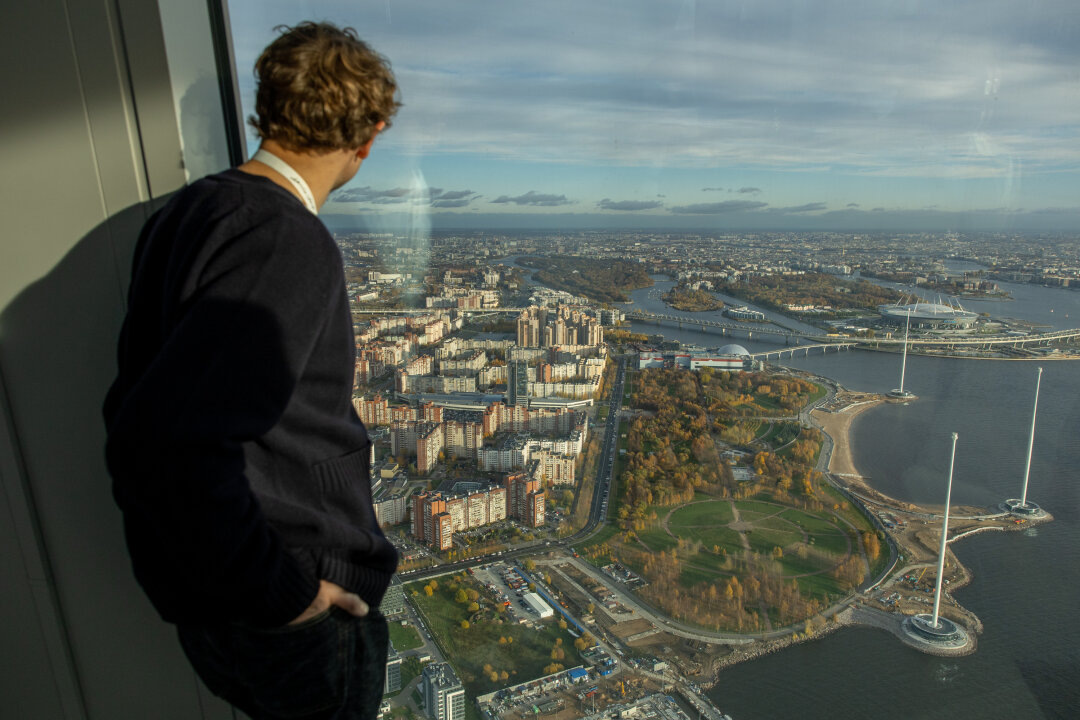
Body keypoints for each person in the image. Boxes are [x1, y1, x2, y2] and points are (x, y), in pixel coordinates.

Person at [103, 22, 400, 719]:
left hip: (222, 593)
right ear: (370, 135)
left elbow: (143, 409)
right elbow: (165, 442)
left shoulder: (191, 211)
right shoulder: (286, 240)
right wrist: (289, 597)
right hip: (286, 599)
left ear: (266, 106)